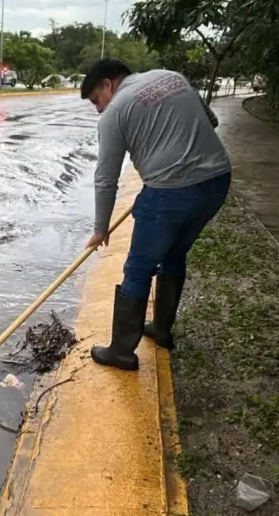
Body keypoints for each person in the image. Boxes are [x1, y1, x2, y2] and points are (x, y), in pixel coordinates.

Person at [81, 59, 231, 371]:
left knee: (138, 269)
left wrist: (100, 228)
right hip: (217, 181)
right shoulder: (172, 76)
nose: (98, 108)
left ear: (109, 84)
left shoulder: (114, 112)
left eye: (96, 100)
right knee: (175, 252)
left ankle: (121, 352)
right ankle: (161, 330)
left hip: (170, 194)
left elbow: (106, 179)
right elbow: (211, 121)